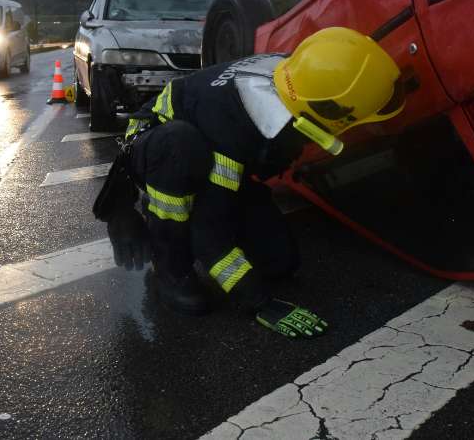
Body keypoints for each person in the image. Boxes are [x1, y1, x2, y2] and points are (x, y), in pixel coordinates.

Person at [93, 27, 406, 339]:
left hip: (208, 146)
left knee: (279, 263)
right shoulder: (233, 130)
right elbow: (209, 233)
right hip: (160, 146)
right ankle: (169, 264)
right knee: (182, 151)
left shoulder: (301, 75)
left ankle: (191, 204)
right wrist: (259, 302)